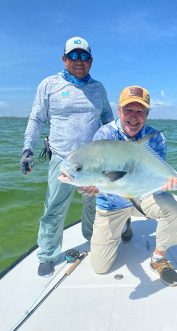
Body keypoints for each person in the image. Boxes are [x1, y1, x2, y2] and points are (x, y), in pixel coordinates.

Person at [20, 36, 114, 277]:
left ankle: (94, 240)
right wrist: (27, 149)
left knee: (93, 204)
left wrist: (118, 153)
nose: (78, 61)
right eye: (73, 56)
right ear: (64, 59)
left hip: (94, 161)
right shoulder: (49, 85)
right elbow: (37, 119)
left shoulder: (98, 88)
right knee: (54, 207)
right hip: (61, 159)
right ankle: (48, 253)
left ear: (91, 61)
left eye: (83, 56)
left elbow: (108, 122)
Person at [82, 86, 177, 287]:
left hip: (142, 196)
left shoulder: (156, 138)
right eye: (128, 110)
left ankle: (158, 258)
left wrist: (170, 182)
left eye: (140, 112)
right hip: (111, 204)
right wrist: (92, 186)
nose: (133, 117)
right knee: (100, 267)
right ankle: (124, 223)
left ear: (147, 114)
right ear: (119, 110)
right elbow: (92, 172)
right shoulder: (104, 135)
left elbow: (154, 177)